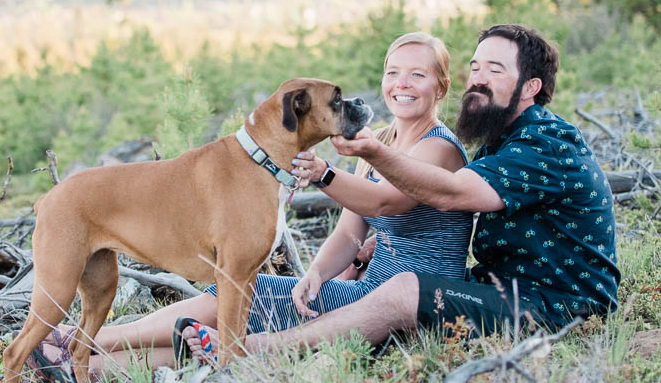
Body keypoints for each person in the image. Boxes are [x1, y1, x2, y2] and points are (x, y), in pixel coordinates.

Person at [29, 31, 473, 380]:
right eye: (393, 72)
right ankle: (85, 365)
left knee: (245, 294)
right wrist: (316, 275)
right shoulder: (380, 144)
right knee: (215, 331)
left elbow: (387, 202)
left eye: (417, 74)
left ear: (442, 86)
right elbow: (348, 232)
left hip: (408, 303)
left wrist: (323, 173)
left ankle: (81, 340)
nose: (401, 84)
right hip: (362, 291)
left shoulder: (440, 148)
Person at [187, 23, 620, 361]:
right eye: (476, 68)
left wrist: (367, 155)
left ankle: (255, 351)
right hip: (500, 288)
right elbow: (367, 226)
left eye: (495, 70)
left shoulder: (544, 143)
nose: (479, 80)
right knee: (270, 293)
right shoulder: (500, 140)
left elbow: (451, 194)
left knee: (405, 289)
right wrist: (357, 251)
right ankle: (126, 352)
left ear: (531, 88)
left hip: (560, 306)